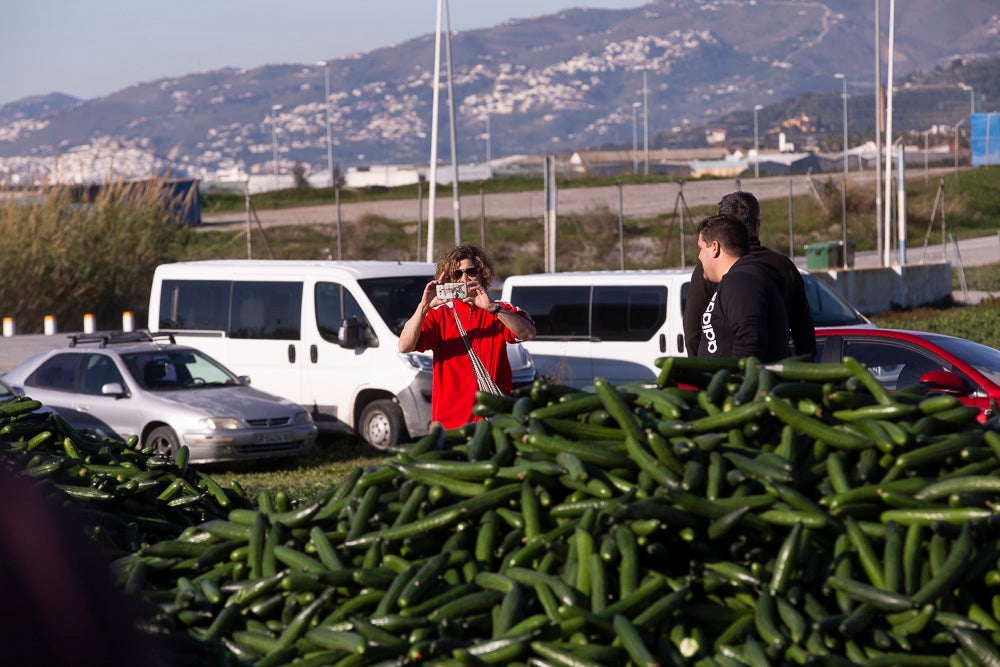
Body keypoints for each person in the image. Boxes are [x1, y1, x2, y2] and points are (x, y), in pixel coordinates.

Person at [398, 243, 536, 430]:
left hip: (493, 419)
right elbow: (404, 346)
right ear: (450, 280)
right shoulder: (439, 315)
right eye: (457, 274)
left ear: (482, 274)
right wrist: (423, 307)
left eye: (470, 272)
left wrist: (492, 308)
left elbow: (528, 333)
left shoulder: (500, 309)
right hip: (450, 422)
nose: (464, 279)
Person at [683, 191, 816, 358]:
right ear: (757, 224)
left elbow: (693, 331)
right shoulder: (783, 266)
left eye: (701, 249)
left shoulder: (739, 276)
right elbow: (803, 332)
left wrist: (706, 375)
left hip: (746, 377)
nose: (700, 256)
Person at [694, 214, 790, 362]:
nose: (699, 256)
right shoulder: (739, 278)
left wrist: (736, 380)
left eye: (701, 248)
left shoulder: (741, 281)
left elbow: (750, 339)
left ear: (715, 247)